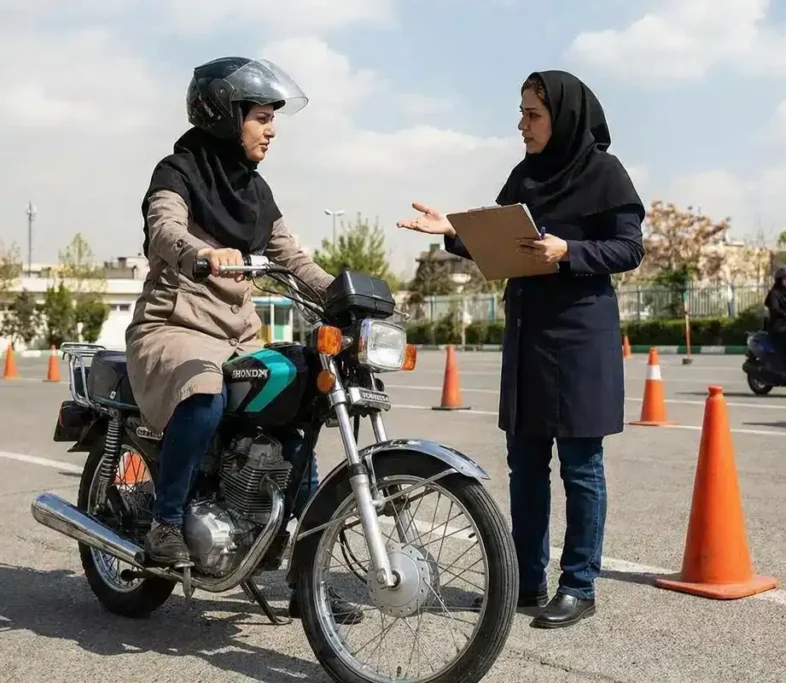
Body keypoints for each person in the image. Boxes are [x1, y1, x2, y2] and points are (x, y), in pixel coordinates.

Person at [397, 70, 645, 629]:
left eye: (532, 114)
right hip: (529, 333)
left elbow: (629, 248)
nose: (522, 124)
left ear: (563, 117)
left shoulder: (604, 173)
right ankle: (526, 581)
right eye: (521, 112)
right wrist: (452, 232)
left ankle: (579, 586)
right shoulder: (525, 175)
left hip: (581, 334)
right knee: (525, 464)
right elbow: (502, 240)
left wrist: (569, 250)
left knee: (581, 467)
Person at [125, 56, 361, 622]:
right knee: (204, 392)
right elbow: (164, 228)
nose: (271, 128)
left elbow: (293, 258)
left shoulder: (255, 192)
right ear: (225, 116)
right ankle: (165, 522)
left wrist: (348, 294)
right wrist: (203, 254)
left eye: (273, 117)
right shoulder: (177, 172)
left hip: (238, 336)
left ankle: (305, 575)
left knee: (302, 404)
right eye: (260, 116)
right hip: (175, 327)